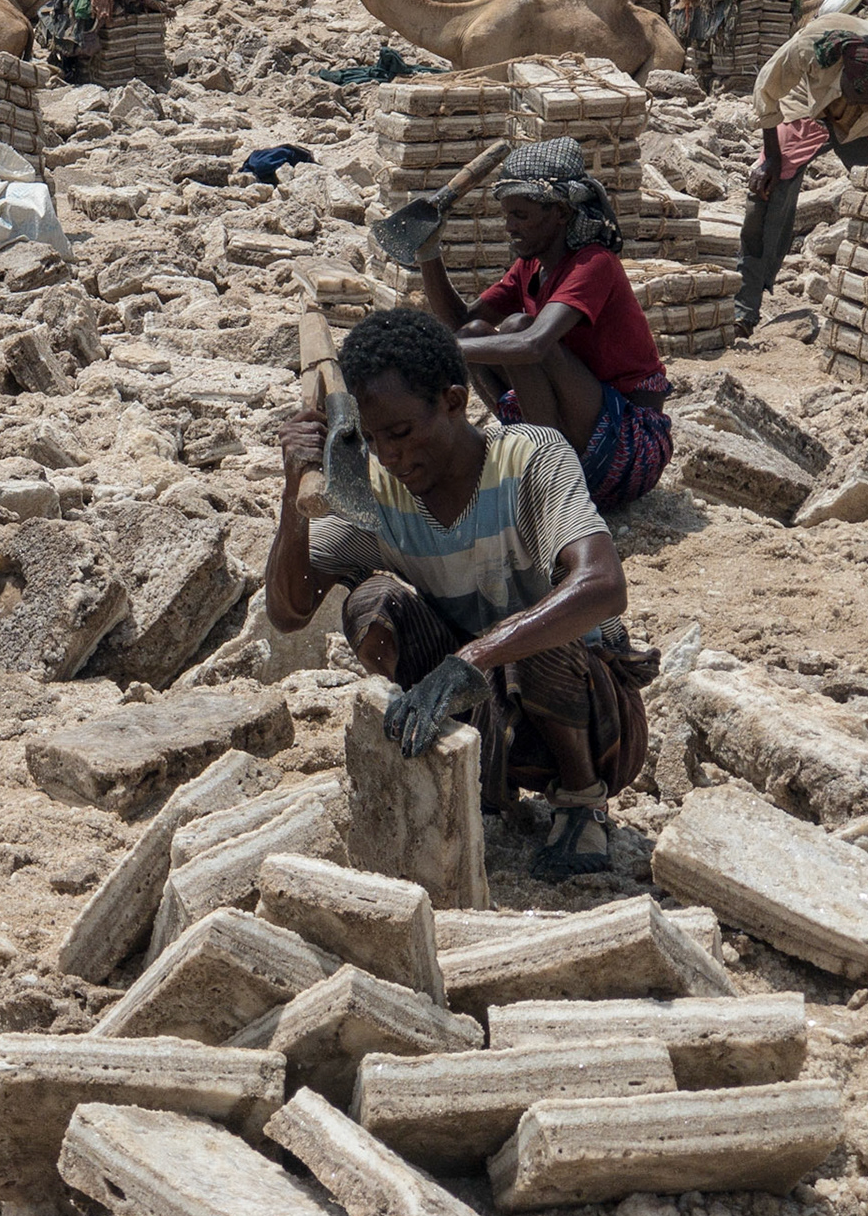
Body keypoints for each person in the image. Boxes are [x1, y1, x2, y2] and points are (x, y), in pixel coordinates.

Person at [265, 309, 659, 881]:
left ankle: (580, 801)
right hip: (485, 711)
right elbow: (288, 611)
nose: (389, 456)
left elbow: (602, 586)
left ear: (453, 401)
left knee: (539, 629)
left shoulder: (529, 457)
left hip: (591, 720)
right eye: (372, 440)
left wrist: (472, 656)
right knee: (372, 605)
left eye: (400, 434)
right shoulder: (378, 496)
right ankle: (465, 774)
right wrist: (293, 490)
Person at [417, 138, 672, 511]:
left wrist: (437, 350)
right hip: (586, 424)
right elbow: (463, 325)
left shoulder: (593, 264)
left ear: (562, 214)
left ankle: (552, 475)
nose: (509, 227)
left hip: (630, 442)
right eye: (507, 216)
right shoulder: (530, 266)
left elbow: (533, 345)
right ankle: (540, 456)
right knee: (476, 335)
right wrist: (429, 254)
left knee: (520, 327)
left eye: (520, 216)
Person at [736, 12, 868, 337]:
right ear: (844, 73)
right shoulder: (813, 47)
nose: (855, 101)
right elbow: (767, 91)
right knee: (766, 192)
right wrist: (771, 159)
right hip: (806, 100)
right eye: (855, 93)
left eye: (864, 98)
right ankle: (743, 310)